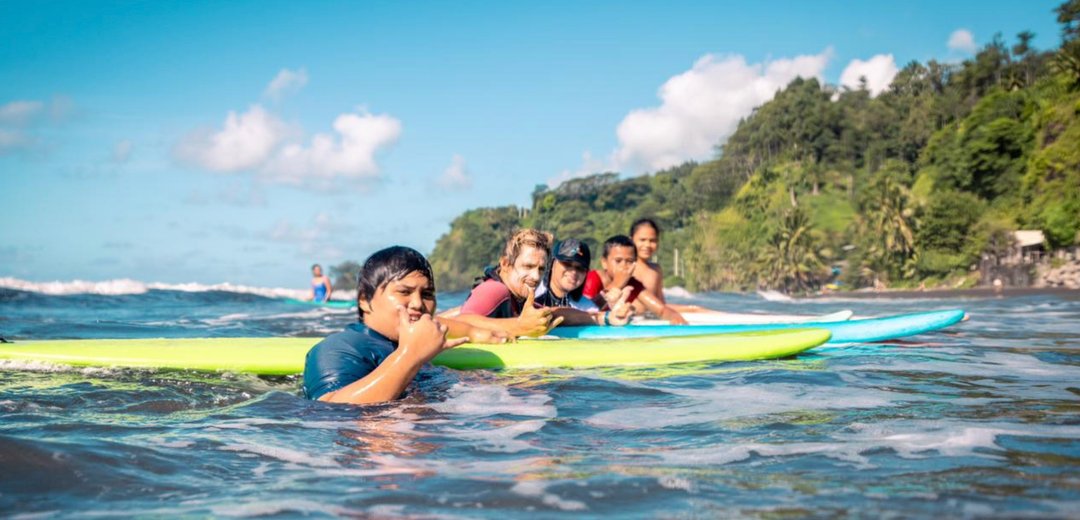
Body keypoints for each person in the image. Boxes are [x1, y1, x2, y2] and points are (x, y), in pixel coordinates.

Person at [303, 246, 508, 405]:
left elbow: (452, 323)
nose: (418, 303)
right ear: (365, 300)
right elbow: (330, 410)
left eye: (426, 294)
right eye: (404, 292)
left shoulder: (415, 343)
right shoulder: (340, 348)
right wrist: (410, 355)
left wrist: (475, 333)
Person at [457, 229, 630, 335]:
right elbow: (462, 322)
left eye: (540, 269)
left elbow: (557, 313)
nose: (535, 277)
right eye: (528, 266)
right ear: (505, 264)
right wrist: (518, 326)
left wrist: (605, 318)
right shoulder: (495, 290)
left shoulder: (519, 297)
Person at [583, 235, 688, 325]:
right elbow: (583, 311)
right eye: (618, 261)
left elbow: (660, 310)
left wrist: (675, 317)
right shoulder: (592, 279)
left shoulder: (632, 284)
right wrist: (617, 284)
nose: (624, 266)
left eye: (629, 261)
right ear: (604, 263)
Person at [628, 218, 691, 322]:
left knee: (694, 308)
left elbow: (661, 304)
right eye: (642, 240)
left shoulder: (656, 270)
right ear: (631, 240)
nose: (647, 245)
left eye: (652, 240)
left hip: (650, 318)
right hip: (632, 321)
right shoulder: (625, 269)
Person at [535, 238, 600, 312]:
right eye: (567, 264)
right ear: (552, 263)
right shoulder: (531, 293)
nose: (574, 272)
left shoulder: (588, 309)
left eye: (580, 268)